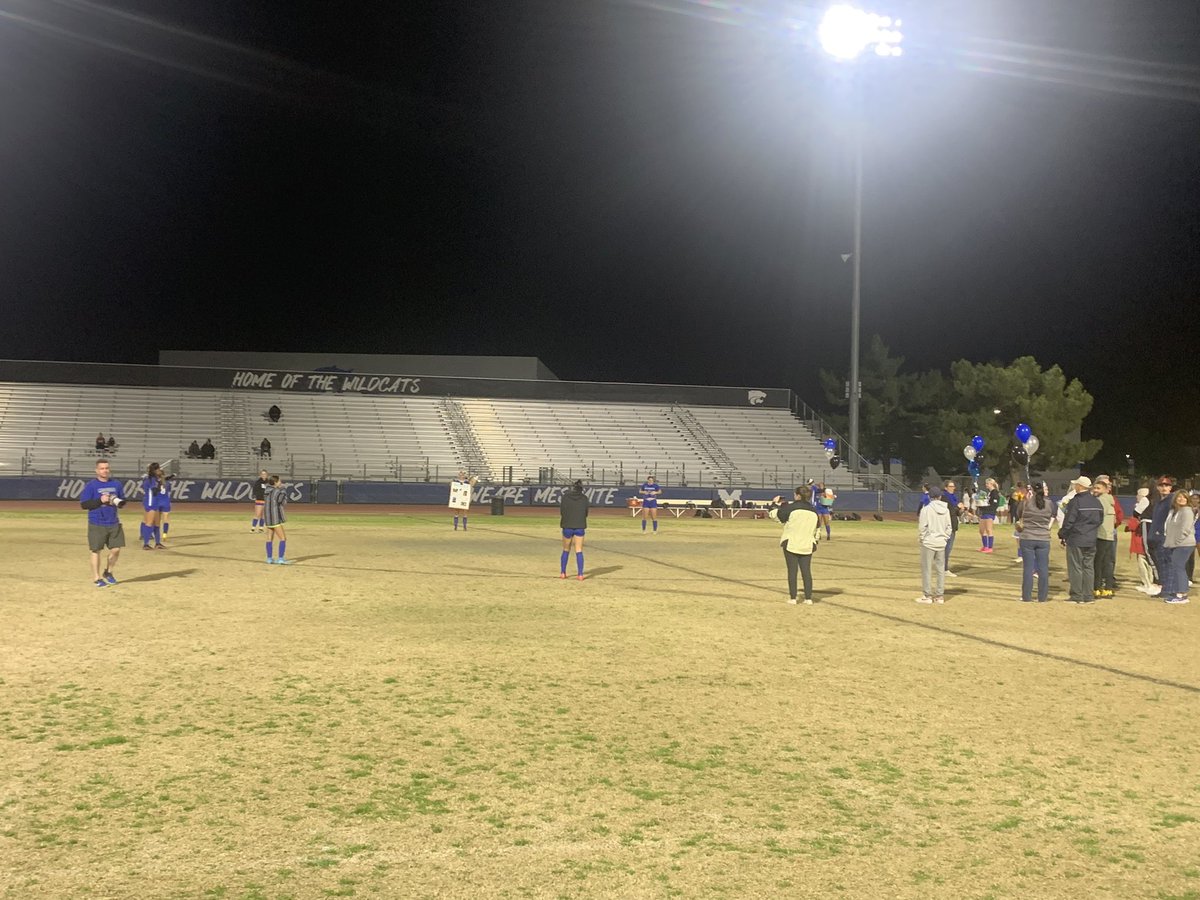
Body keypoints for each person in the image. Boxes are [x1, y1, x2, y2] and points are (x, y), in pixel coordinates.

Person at [769, 487, 820, 605]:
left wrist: (774, 504)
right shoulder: (813, 511)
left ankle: (793, 597)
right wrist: (815, 542)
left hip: (791, 543)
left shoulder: (791, 508)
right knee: (806, 571)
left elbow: (776, 516)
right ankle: (808, 598)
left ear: (797, 496)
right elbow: (817, 529)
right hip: (807, 544)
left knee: (792, 571)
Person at [80, 459, 126, 588]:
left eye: (106, 468)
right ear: (96, 471)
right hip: (97, 522)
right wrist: (100, 500)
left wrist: (116, 501)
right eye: (102, 468)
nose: (105, 470)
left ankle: (108, 572)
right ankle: (97, 578)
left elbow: (123, 500)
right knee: (96, 550)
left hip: (113, 521)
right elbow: (84, 504)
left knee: (116, 549)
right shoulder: (91, 486)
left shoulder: (116, 484)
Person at [1059, 475, 1103, 603]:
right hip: (1091, 538)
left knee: (1076, 567)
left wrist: (1062, 534)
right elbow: (1099, 520)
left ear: (1080, 486)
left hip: (1076, 538)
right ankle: (1088, 596)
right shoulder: (1096, 501)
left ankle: (1077, 595)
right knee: (1088, 567)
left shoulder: (1075, 501)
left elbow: (1069, 521)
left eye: (1076, 485)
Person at [1018, 481, 1054, 602]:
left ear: (1031, 490)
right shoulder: (1049, 503)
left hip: (1028, 536)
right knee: (1043, 568)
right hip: (1043, 537)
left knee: (1028, 568)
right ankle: (1042, 597)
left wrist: (1025, 500)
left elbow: (1018, 514)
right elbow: (1050, 516)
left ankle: (1026, 596)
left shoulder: (1026, 503)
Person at [916, 485, 952, 604]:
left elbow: (922, 527)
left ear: (930, 497)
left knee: (927, 569)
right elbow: (949, 527)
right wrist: (944, 538)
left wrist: (923, 539)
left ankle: (927, 595)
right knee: (940, 569)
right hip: (941, 543)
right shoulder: (946, 510)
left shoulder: (926, 509)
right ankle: (939, 596)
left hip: (929, 542)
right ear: (940, 496)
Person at [1161, 490, 1195, 604]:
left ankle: (1182, 595)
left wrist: (1176, 542)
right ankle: (1178, 592)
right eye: (1179, 497)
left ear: (1187, 499)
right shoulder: (1173, 511)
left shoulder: (1187, 511)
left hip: (1184, 544)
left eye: (1184, 497)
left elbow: (1185, 530)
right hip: (1174, 544)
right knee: (1177, 567)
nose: (1181, 499)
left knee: (1178, 567)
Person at [1146, 476, 1177, 597]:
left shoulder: (1171, 501)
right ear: (1158, 487)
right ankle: (1165, 589)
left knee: (1167, 565)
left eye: (1167, 485)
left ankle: (1169, 590)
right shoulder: (1159, 501)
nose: (1164, 488)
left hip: (1165, 538)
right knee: (1162, 565)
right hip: (1156, 538)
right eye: (1161, 485)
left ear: (1170, 488)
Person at [1091, 476, 1119, 598]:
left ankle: (1097, 588)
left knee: (1098, 563)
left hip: (1101, 535)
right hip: (1109, 536)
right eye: (1094, 487)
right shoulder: (1110, 500)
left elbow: (1097, 517)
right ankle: (1108, 588)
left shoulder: (1101, 500)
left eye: (1098, 488)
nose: (1095, 490)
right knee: (1108, 563)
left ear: (1105, 489)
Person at [559, 480, 589, 580]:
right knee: (579, 550)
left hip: (567, 525)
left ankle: (563, 572)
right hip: (580, 526)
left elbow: (562, 511)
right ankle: (580, 574)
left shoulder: (565, 497)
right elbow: (586, 513)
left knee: (566, 549)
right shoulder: (584, 498)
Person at [1128, 487, 1155, 593]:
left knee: (1142, 559)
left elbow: (1133, 522)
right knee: (1148, 558)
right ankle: (1150, 582)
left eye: (1138, 495)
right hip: (1146, 534)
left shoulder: (1142, 507)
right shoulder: (1153, 505)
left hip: (1140, 536)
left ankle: (1147, 583)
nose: (1136, 497)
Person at [263, 475, 292, 564]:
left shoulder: (266, 491)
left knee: (269, 538)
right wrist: (283, 491)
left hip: (267, 517)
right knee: (283, 538)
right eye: (279, 481)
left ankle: (269, 558)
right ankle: (280, 558)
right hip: (275, 517)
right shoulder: (277, 491)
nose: (281, 482)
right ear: (275, 482)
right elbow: (282, 502)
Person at [139, 463, 167, 550]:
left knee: (157, 524)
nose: (159, 470)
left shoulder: (155, 479)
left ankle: (158, 543)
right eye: (158, 469)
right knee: (149, 523)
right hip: (151, 502)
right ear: (155, 470)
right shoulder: (150, 480)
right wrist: (159, 486)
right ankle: (146, 544)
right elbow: (153, 490)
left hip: (156, 502)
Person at [942, 480, 962, 578]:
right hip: (947, 525)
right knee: (946, 548)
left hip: (953, 524)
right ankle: (944, 569)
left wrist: (960, 510)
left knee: (948, 548)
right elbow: (949, 511)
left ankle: (943, 567)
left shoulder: (953, 497)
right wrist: (957, 508)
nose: (953, 488)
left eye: (953, 486)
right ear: (946, 487)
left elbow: (956, 513)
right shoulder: (945, 498)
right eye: (950, 486)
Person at [977, 477, 1000, 553]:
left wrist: (985, 506)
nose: (986, 485)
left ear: (991, 484)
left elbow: (994, 504)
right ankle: (985, 546)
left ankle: (990, 547)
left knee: (989, 530)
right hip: (985, 512)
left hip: (990, 512)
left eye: (987, 483)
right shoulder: (990, 493)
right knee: (981, 530)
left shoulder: (995, 492)